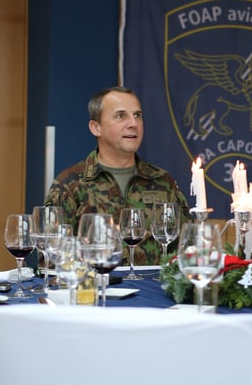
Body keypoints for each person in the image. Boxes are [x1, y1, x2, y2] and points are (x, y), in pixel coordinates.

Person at [44, 86, 192, 265]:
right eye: (121, 116)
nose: (133, 124)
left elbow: (187, 249)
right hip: (95, 282)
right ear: (96, 128)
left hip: (154, 283)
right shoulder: (70, 184)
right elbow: (50, 259)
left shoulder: (162, 181)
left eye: (137, 115)